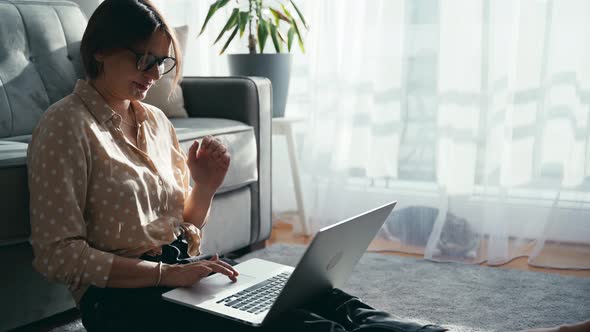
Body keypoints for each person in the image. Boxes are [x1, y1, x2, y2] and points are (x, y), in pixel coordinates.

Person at [25, 0, 442, 331]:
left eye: (162, 61)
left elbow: (182, 232)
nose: (154, 73)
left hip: (178, 272)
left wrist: (203, 188)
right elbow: (57, 256)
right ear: (100, 49)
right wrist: (165, 276)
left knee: (307, 295)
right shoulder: (65, 126)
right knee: (292, 325)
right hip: (117, 301)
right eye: (143, 59)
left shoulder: (154, 121)